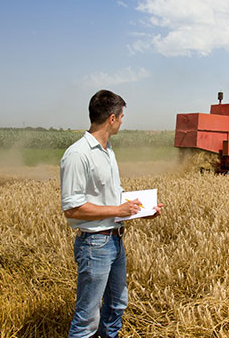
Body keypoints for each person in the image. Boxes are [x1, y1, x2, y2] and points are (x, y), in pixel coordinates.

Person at [60, 89, 162, 338]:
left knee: (117, 305)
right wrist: (118, 210)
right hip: (94, 244)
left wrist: (140, 210)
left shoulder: (107, 151)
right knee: (88, 318)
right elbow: (72, 208)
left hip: (115, 239)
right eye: (122, 116)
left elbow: (110, 196)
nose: (122, 121)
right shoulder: (77, 155)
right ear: (112, 118)